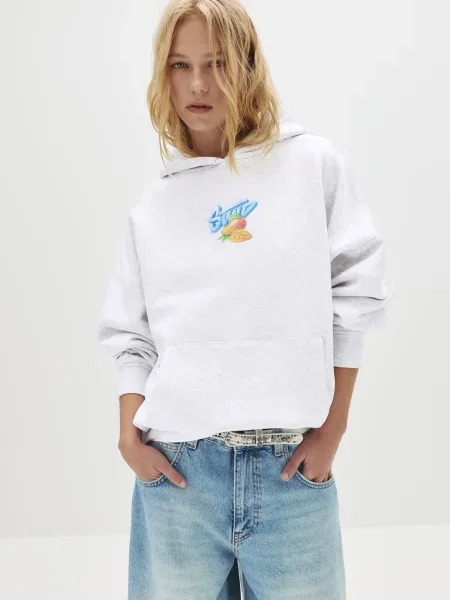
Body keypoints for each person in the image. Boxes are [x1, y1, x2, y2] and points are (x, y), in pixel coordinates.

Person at [97, 1, 394, 598]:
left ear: (248, 66)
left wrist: (333, 428)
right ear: (163, 74)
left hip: (290, 472)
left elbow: (356, 290)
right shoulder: (154, 208)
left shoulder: (309, 164)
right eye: (181, 65)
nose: (199, 84)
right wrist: (130, 436)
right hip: (177, 476)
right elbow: (132, 334)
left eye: (217, 63)